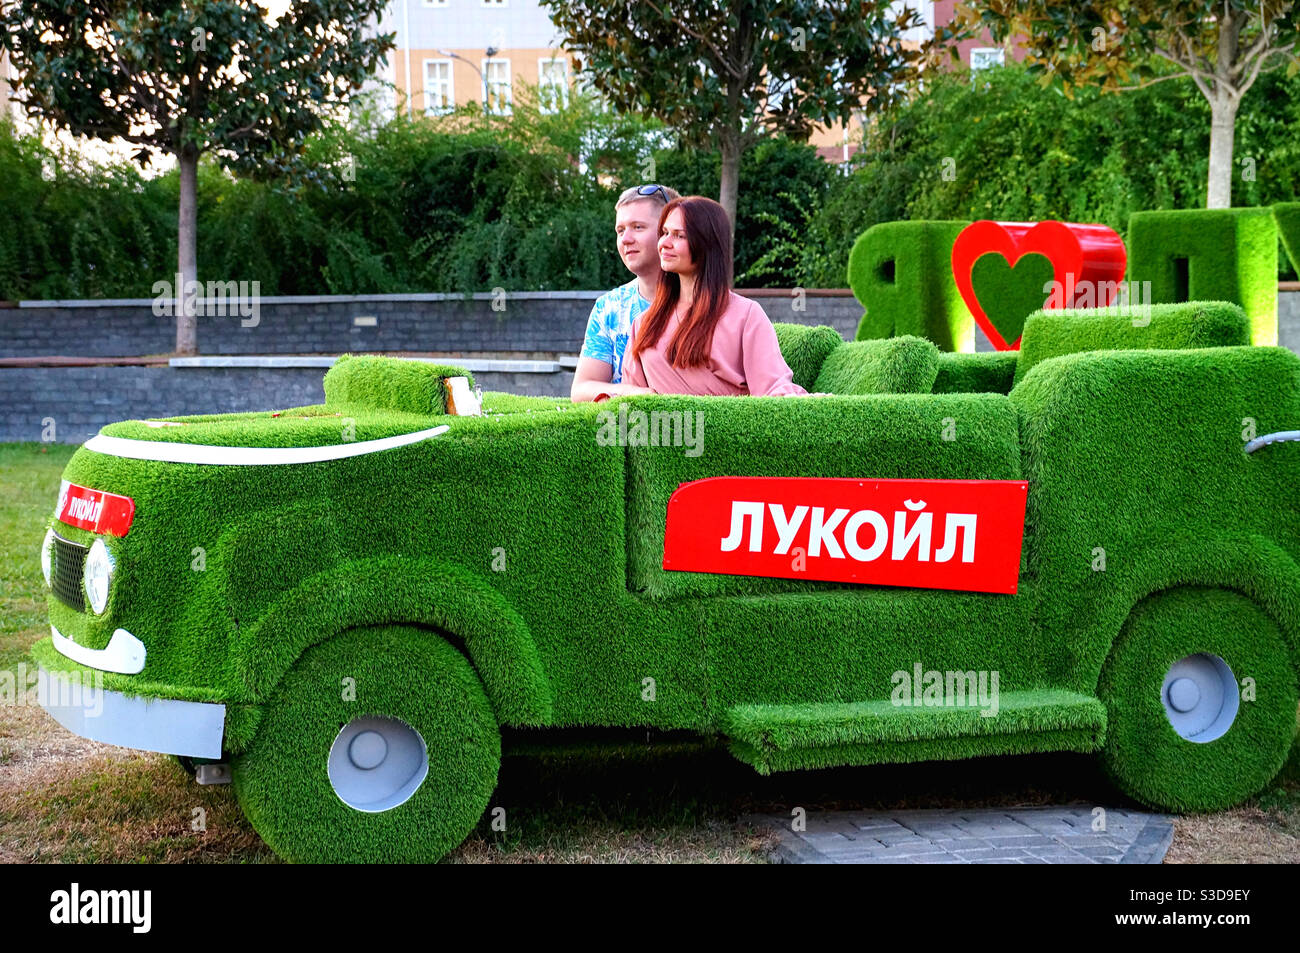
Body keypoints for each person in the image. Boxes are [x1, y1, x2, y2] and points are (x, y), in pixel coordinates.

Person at [620, 195, 810, 398]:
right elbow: (631, 398)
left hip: (732, 428)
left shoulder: (746, 316)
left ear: (706, 243)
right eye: (664, 233)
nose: (664, 243)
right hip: (666, 428)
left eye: (679, 235)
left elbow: (773, 387)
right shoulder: (643, 324)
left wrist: (809, 402)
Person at [570, 184, 681, 402]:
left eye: (638, 227)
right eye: (620, 230)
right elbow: (582, 389)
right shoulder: (609, 307)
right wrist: (634, 393)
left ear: (670, 231)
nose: (626, 239)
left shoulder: (706, 302)